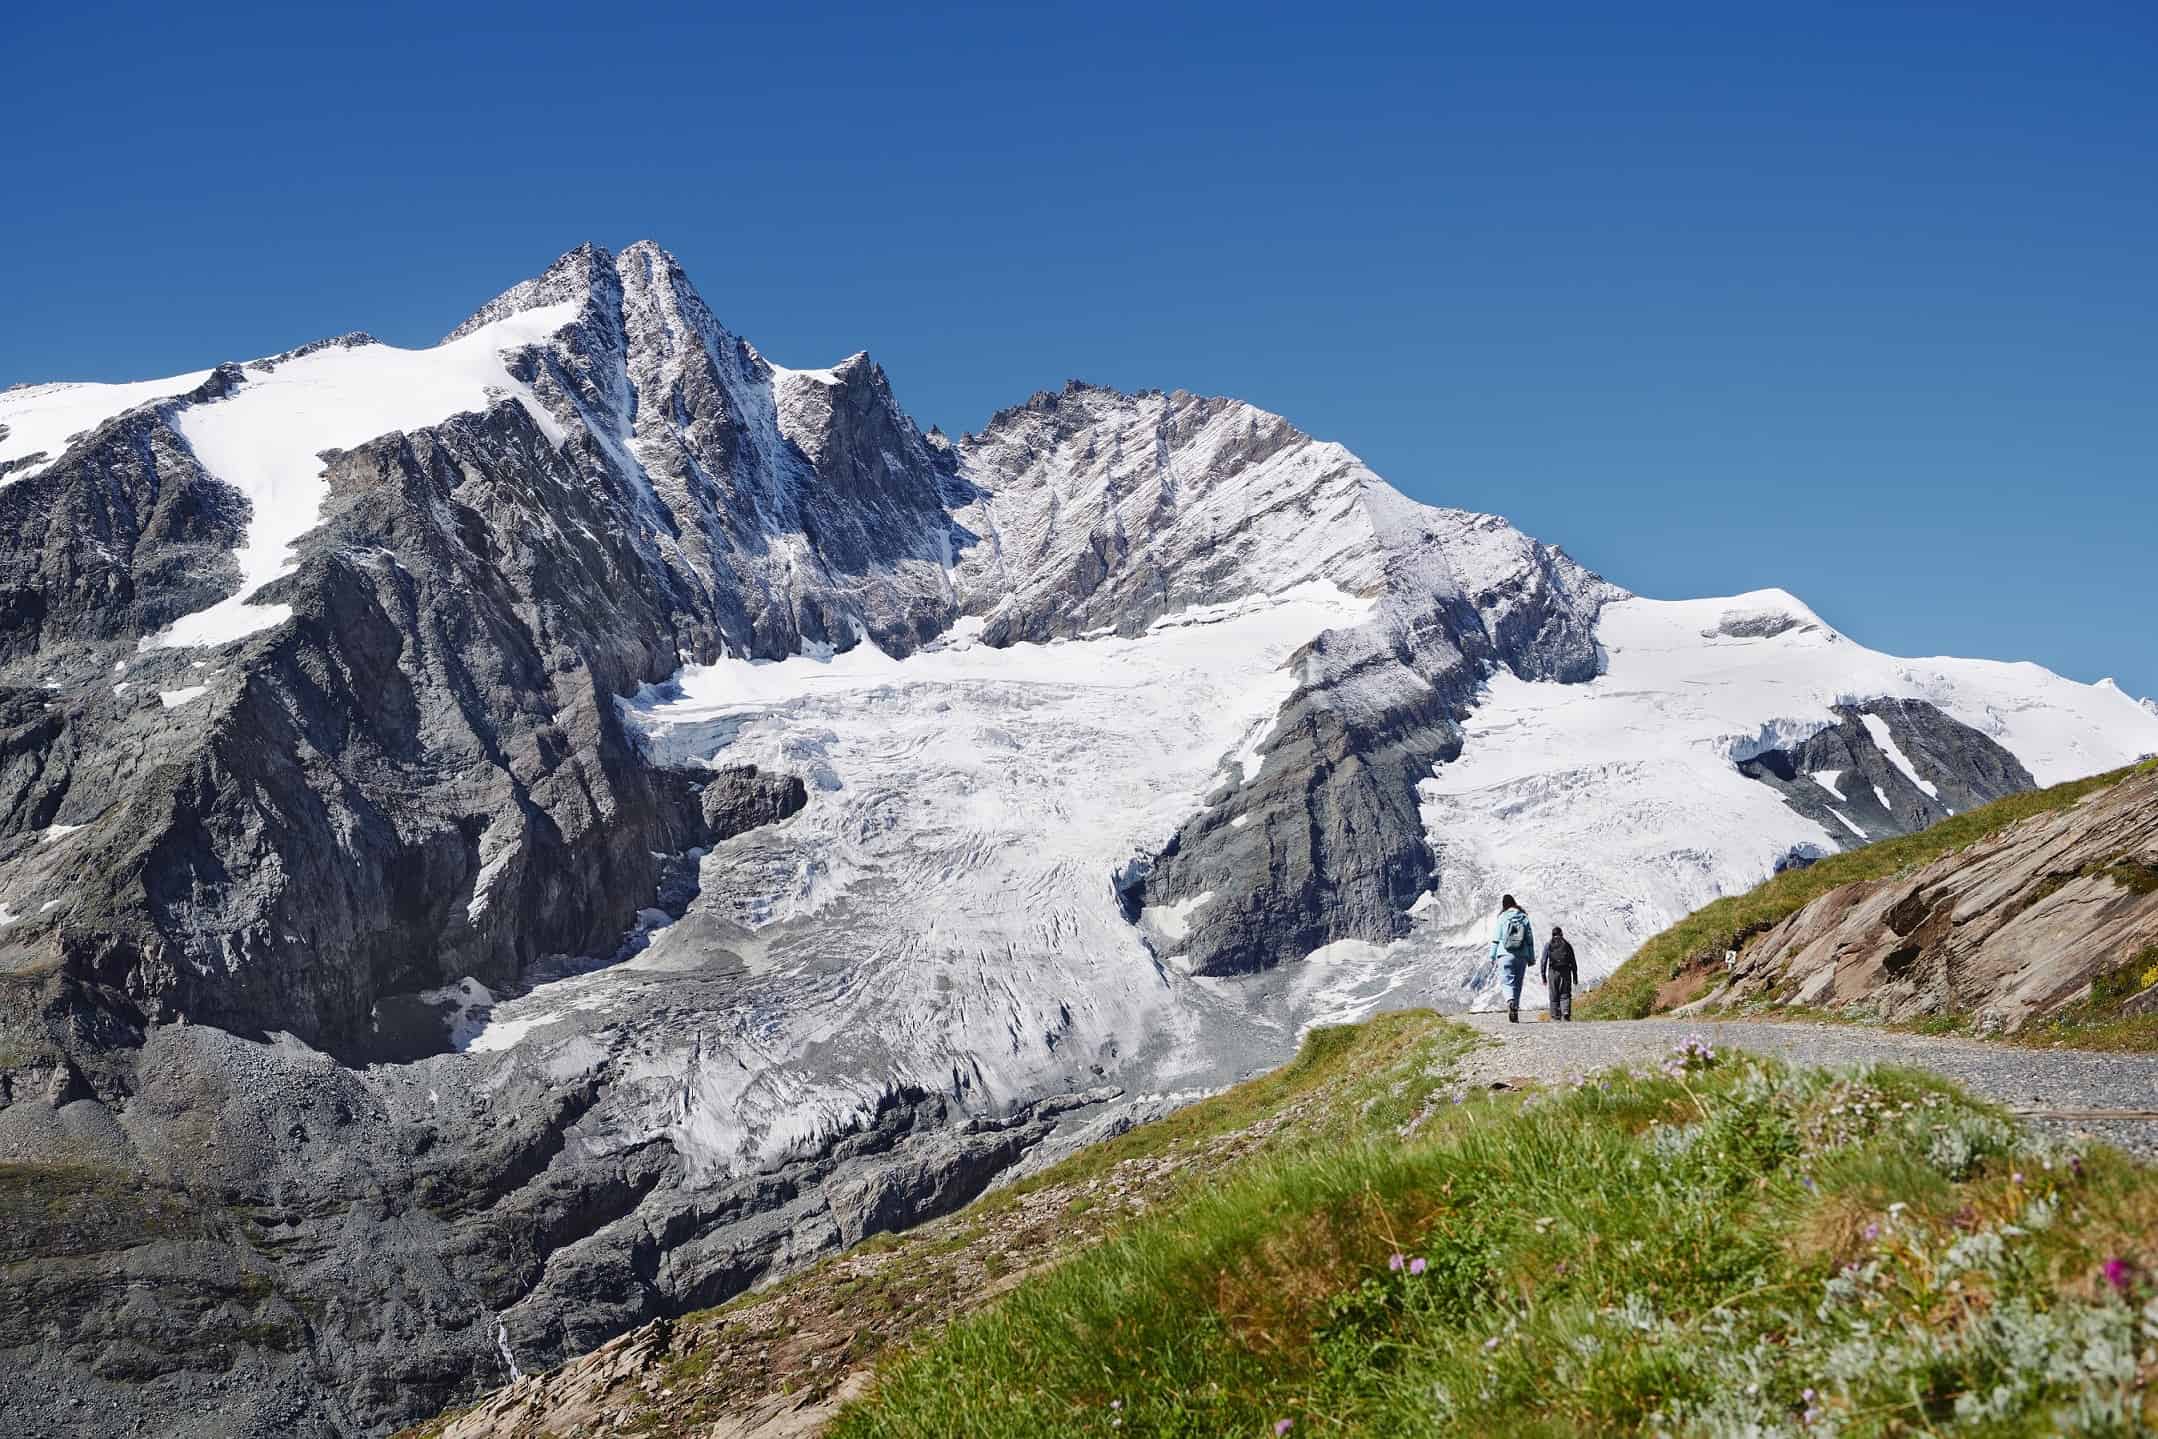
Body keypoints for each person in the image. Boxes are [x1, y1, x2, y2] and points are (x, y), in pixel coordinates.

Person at [1489, 894, 1535, 1023]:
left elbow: (1496, 939)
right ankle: (1515, 1008)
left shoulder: (1502, 918)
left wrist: (1492, 955)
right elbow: (1530, 940)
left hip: (1505, 954)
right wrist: (1531, 957)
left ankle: (1510, 1001)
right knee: (1518, 983)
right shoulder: (1524, 918)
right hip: (1522, 955)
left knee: (1507, 981)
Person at [1542, 926, 1578, 1022]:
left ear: (1552, 934)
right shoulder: (1567, 944)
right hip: (1566, 971)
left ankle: (1555, 1016)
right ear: (1561, 934)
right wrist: (1575, 976)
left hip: (1553, 972)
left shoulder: (1548, 944)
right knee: (1565, 994)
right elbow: (1573, 961)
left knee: (1554, 995)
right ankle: (1565, 1012)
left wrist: (1543, 976)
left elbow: (1543, 961)